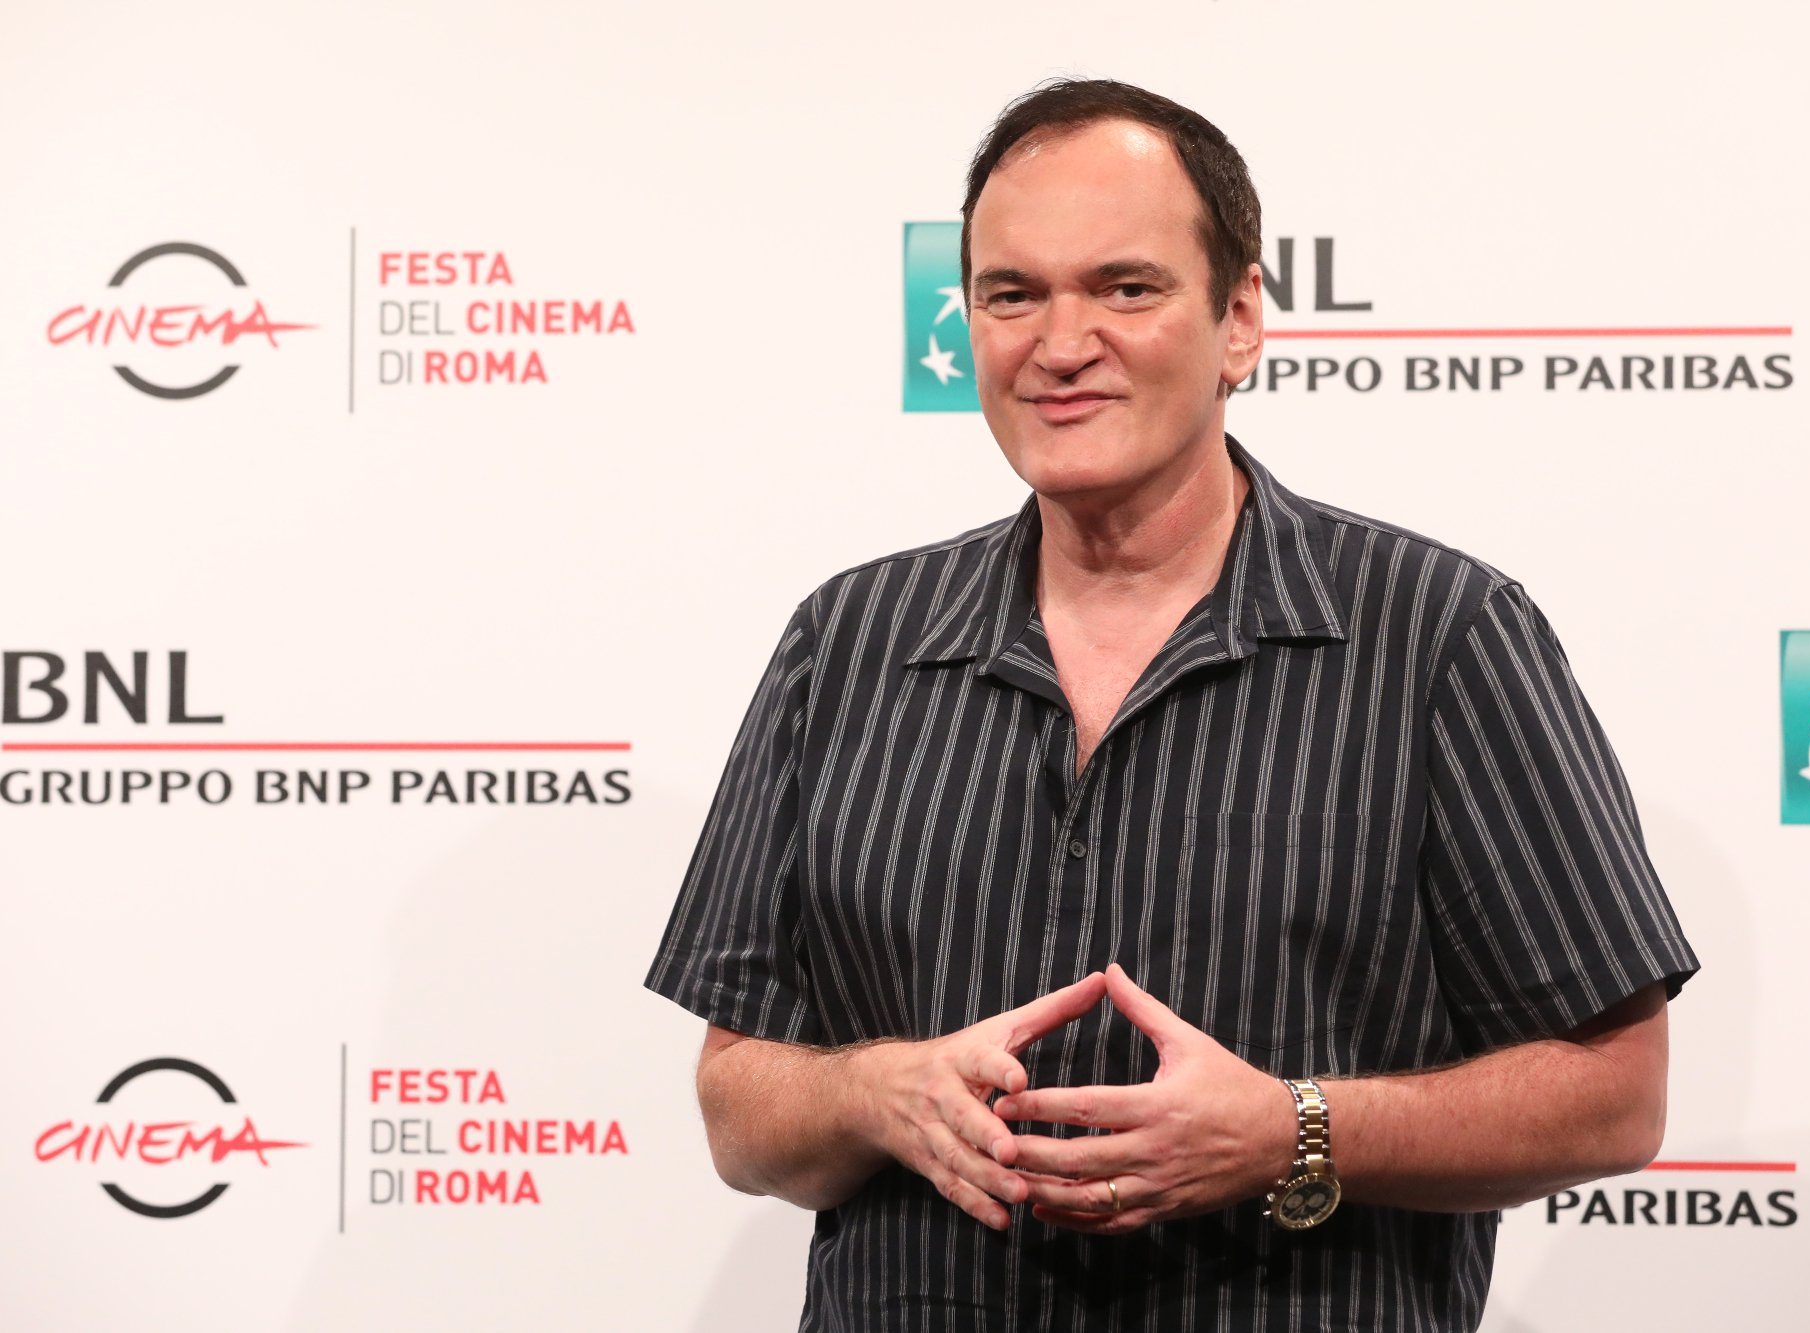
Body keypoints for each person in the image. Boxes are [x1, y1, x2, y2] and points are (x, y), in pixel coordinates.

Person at [643, 78, 1698, 1331]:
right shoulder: (850, 640)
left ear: (1239, 319)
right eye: (1011, 293)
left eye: (1124, 288)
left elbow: (1611, 1095)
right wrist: (873, 1092)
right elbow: (735, 1103)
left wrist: (1292, 1130)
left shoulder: (1437, 633)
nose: (1059, 341)